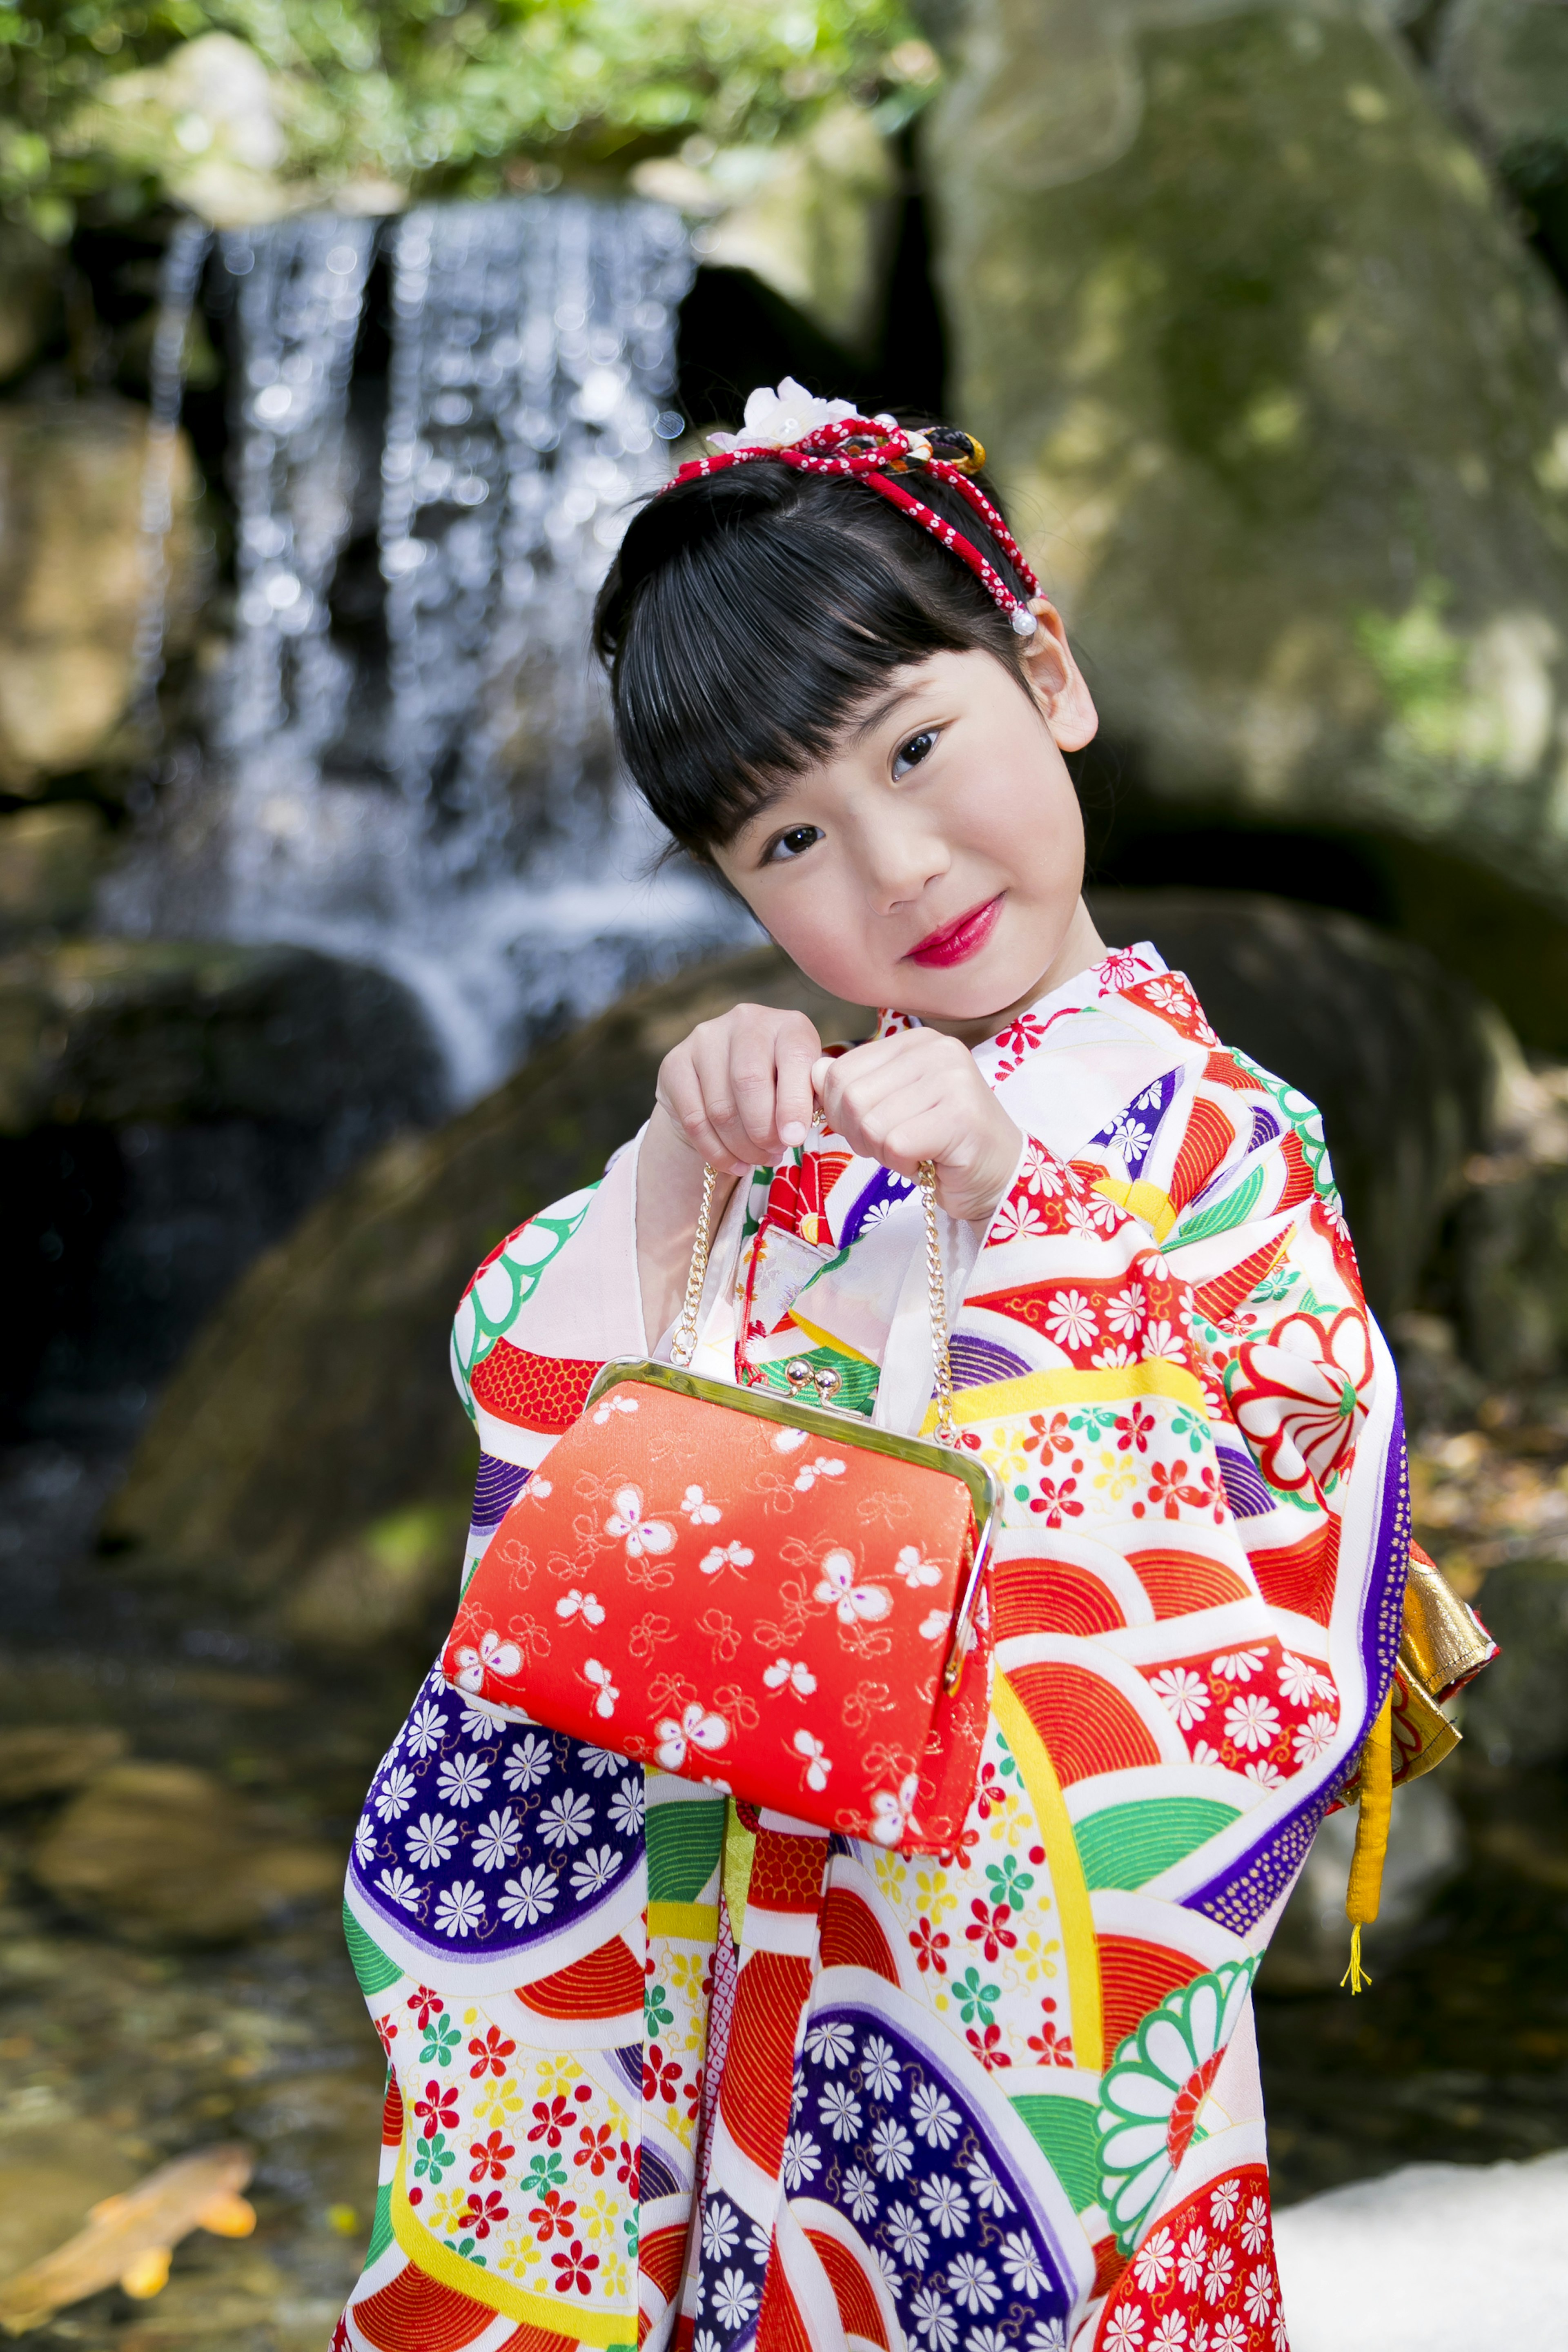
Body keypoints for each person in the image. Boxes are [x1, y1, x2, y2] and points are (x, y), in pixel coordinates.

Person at [332, 385, 1486, 2352]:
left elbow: (1289, 1484)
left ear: (1052, 674)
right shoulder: (801, 1123)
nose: (898, 866)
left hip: (1010, 2016)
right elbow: (541, 1430)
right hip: (738, 1975)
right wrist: (681, 1167)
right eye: (791, 836)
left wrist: (1014, 1203)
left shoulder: (1224, 1126)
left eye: (920, 745)